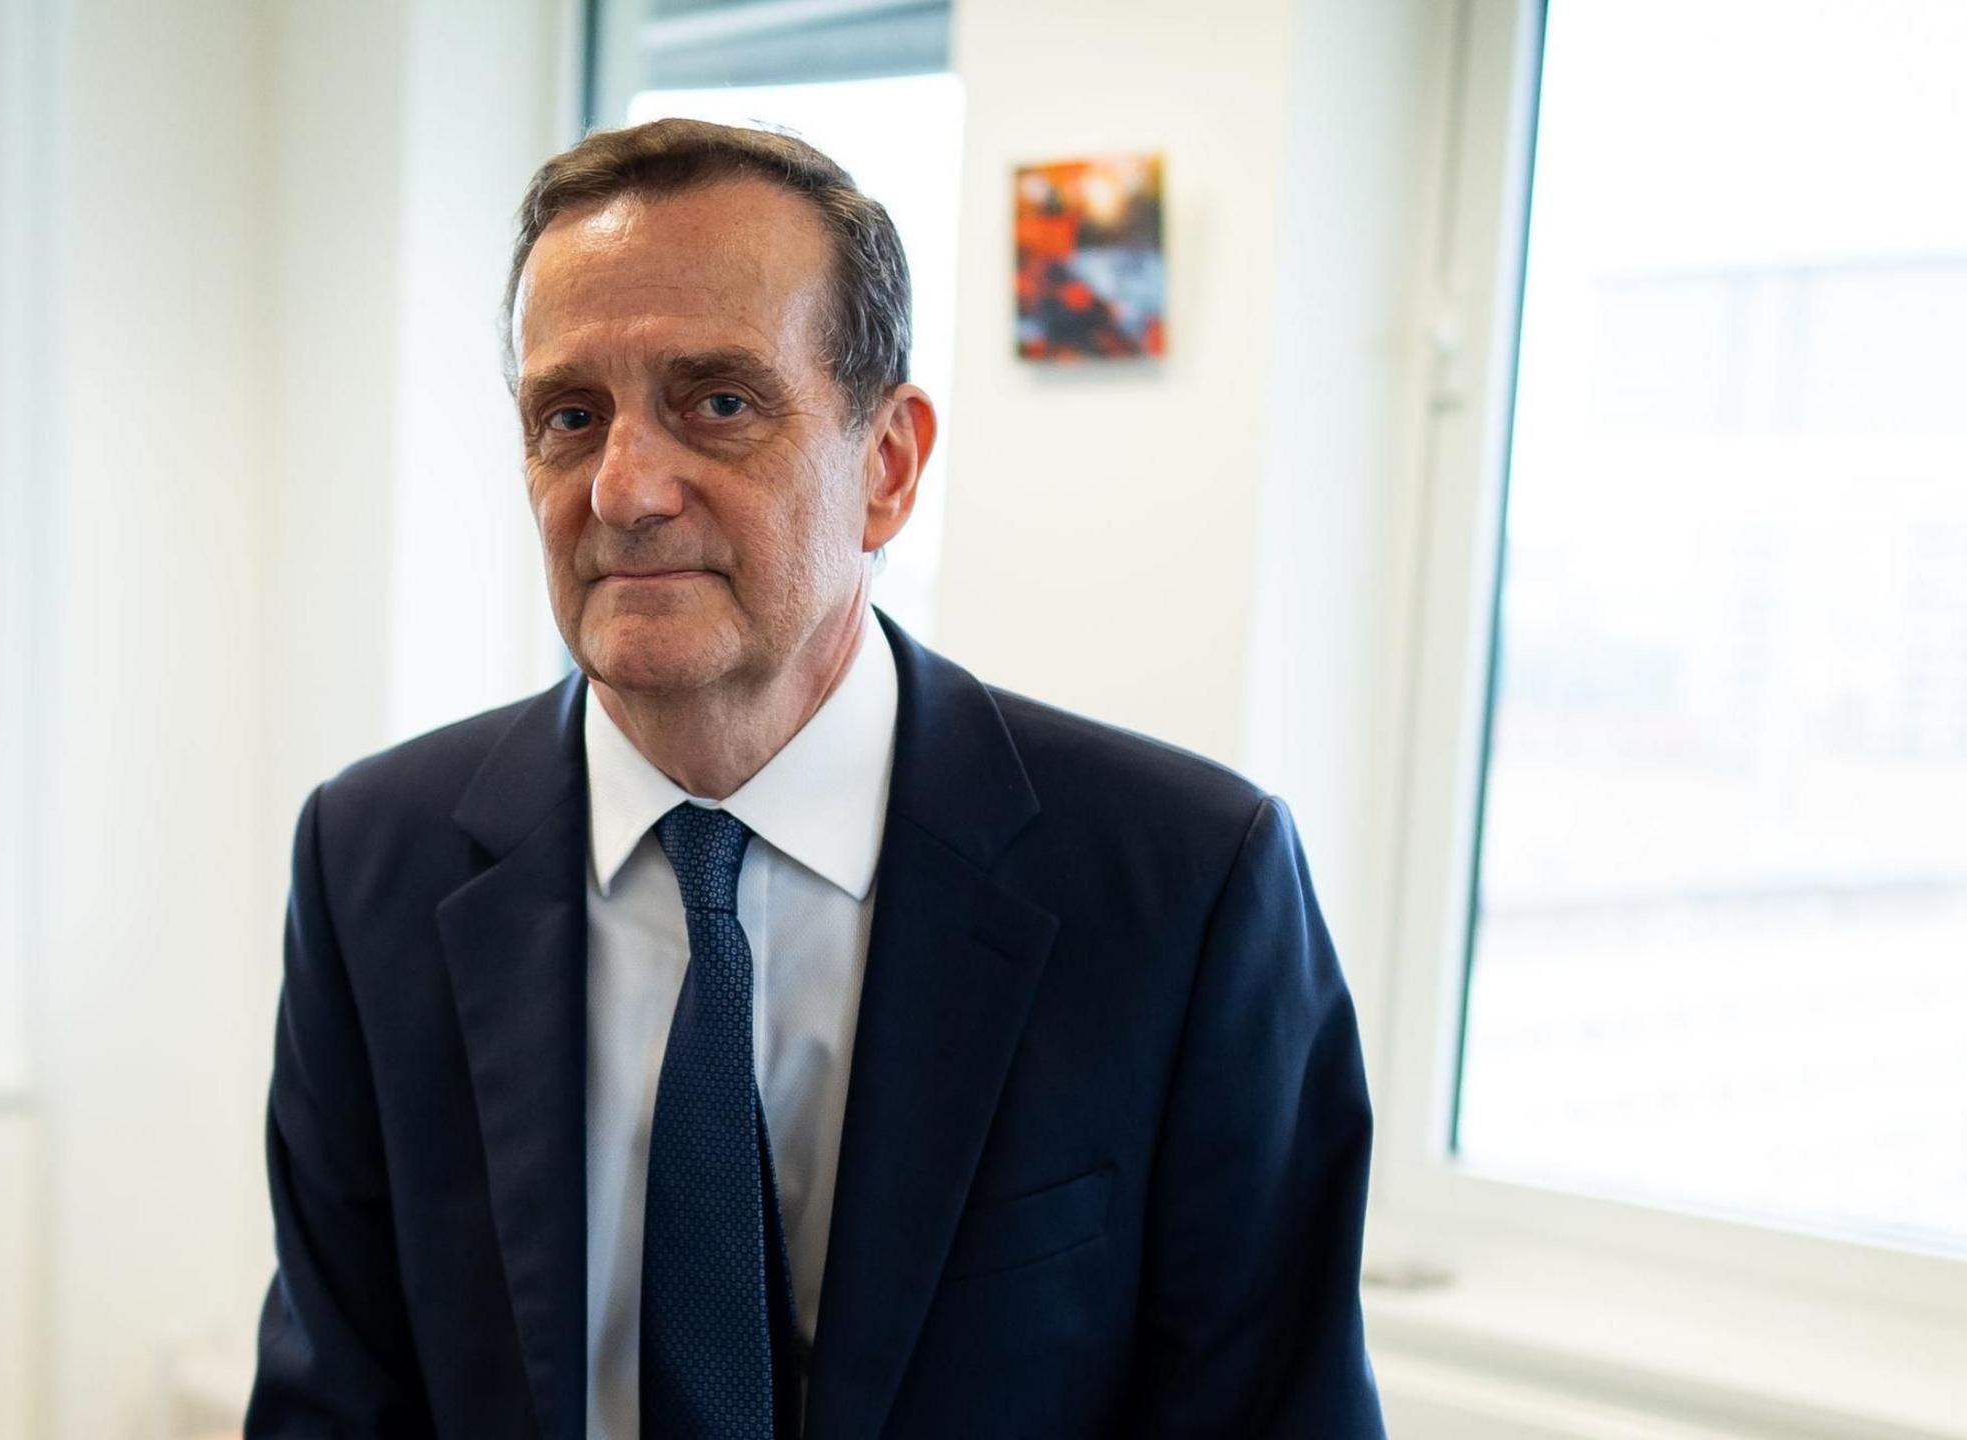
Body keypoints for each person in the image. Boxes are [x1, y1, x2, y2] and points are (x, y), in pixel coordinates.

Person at [246, 118, 1385, 1439]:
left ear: (887, 466)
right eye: (571, 415)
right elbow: (335, 1398)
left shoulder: (1188, 886)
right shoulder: (372, 861)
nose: (624, 487)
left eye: (716, 402)